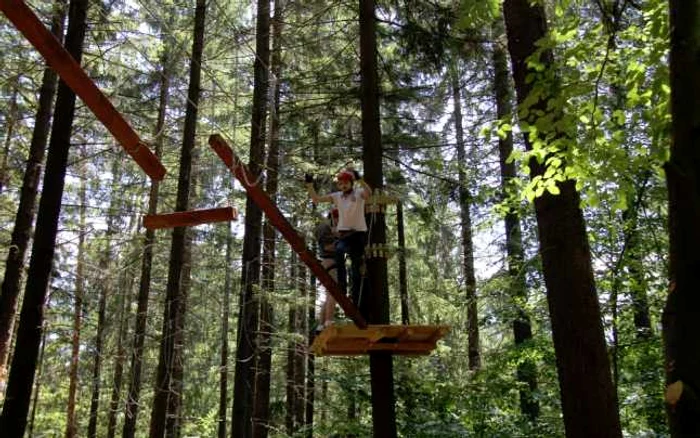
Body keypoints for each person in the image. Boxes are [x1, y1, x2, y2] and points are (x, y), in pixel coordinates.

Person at [305, 169, 372, 308]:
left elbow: (368, 193)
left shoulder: (358, 192)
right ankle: (342, 286)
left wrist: (360, 179)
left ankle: (356, 298)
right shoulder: (337, 196)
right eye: (340, 184)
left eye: (346, 183)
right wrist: (310, 184)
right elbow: (316, 199)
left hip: (358, 234)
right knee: (339, 251)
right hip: (344, 235)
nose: (343, 186)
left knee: (355, 268)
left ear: (351, 183)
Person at [315, 209, 339, 332]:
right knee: (334, 293)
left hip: (326, 262)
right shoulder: (326, 227)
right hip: (329, 261)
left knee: (330, 294)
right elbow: (328, 247)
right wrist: (340, 241)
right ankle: (329, 321)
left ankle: (321, 325)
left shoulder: (324, 226)